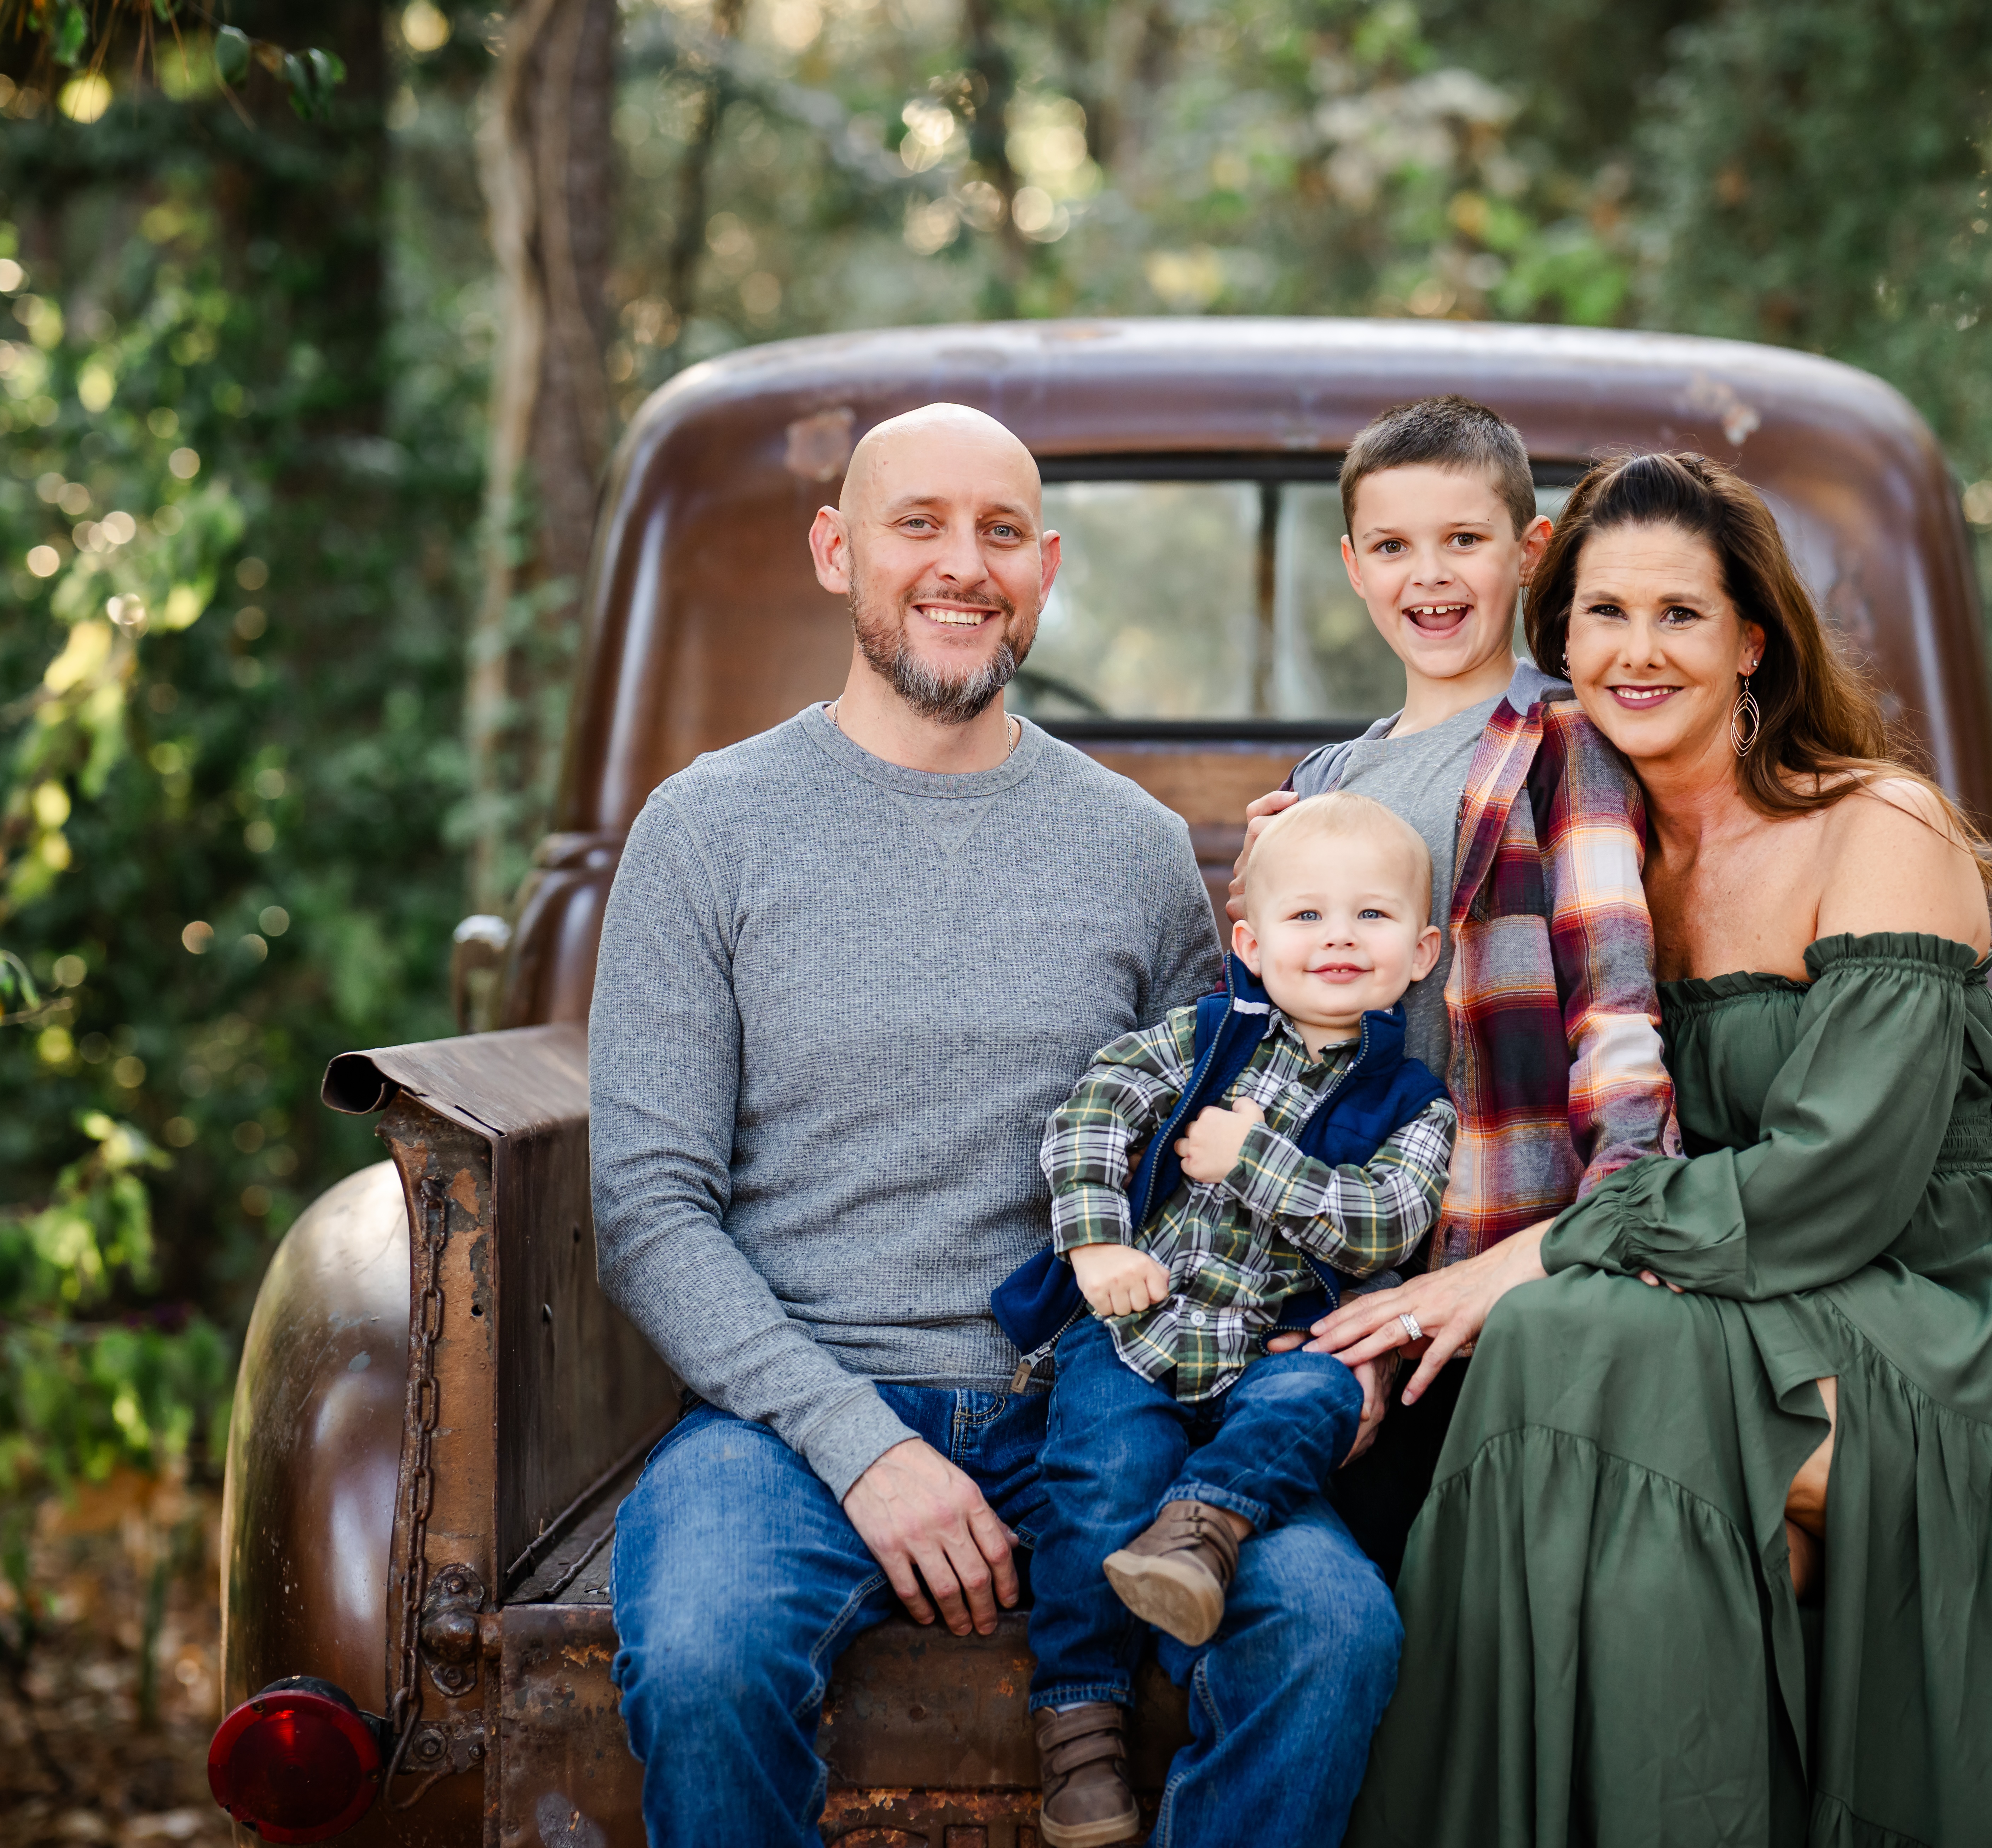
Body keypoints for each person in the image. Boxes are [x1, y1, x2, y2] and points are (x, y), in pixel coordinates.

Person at [589, 402, 1403, 1848]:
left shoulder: (1136, 847)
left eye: (1001, 532)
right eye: (919, 524)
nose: (962, 565)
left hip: (1105, 1404)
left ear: (1047, 567)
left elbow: (1208, 1145)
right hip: (791, 1419)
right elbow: (651, 1207)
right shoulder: (705, 829)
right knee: (706, 1649)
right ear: (838, 550)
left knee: (1333, 1628)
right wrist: (859, 1444)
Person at [1328, 452, 1992, 1847]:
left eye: (1680, 615)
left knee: (1556, 1335)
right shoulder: (1595, 847)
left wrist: (1542, 1251)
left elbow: (1843, 1178)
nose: (1636, 653)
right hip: (1721, 1286)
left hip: (1929, 1303)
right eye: (1602, 616)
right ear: (1560, 638)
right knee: (1561, 1376)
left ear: (1751, 637)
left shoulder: (1873, 823)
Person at [1228, 396, 1677, 1575]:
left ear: (1529, 551)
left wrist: (1604, 1222)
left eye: (1463, 540)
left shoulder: (1561, 743)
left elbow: (1614, 1006)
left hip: (1479, 1279)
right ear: (1353, 566)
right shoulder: (1332, 771)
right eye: (1392, 546)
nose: (1428, 575)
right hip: (1327, 1266)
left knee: (1447, 1606)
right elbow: (1284, 1022)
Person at [1005, 792, 1458, 1847]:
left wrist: (1251, 1161)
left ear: (1424, 949)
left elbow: (1386, 1223)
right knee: (1102, 1465)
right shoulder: (1207, 1039)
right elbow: (1096, 1105)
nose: (1339, 937)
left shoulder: (1414, 1101)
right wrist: (1095, 1243)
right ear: (1249, 944)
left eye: (1372, 917)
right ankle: (1078, 1717)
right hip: (1141, 1326)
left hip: (1272, 1350)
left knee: (1326, 1389)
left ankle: (1202, 1529)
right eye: (1306, 917)